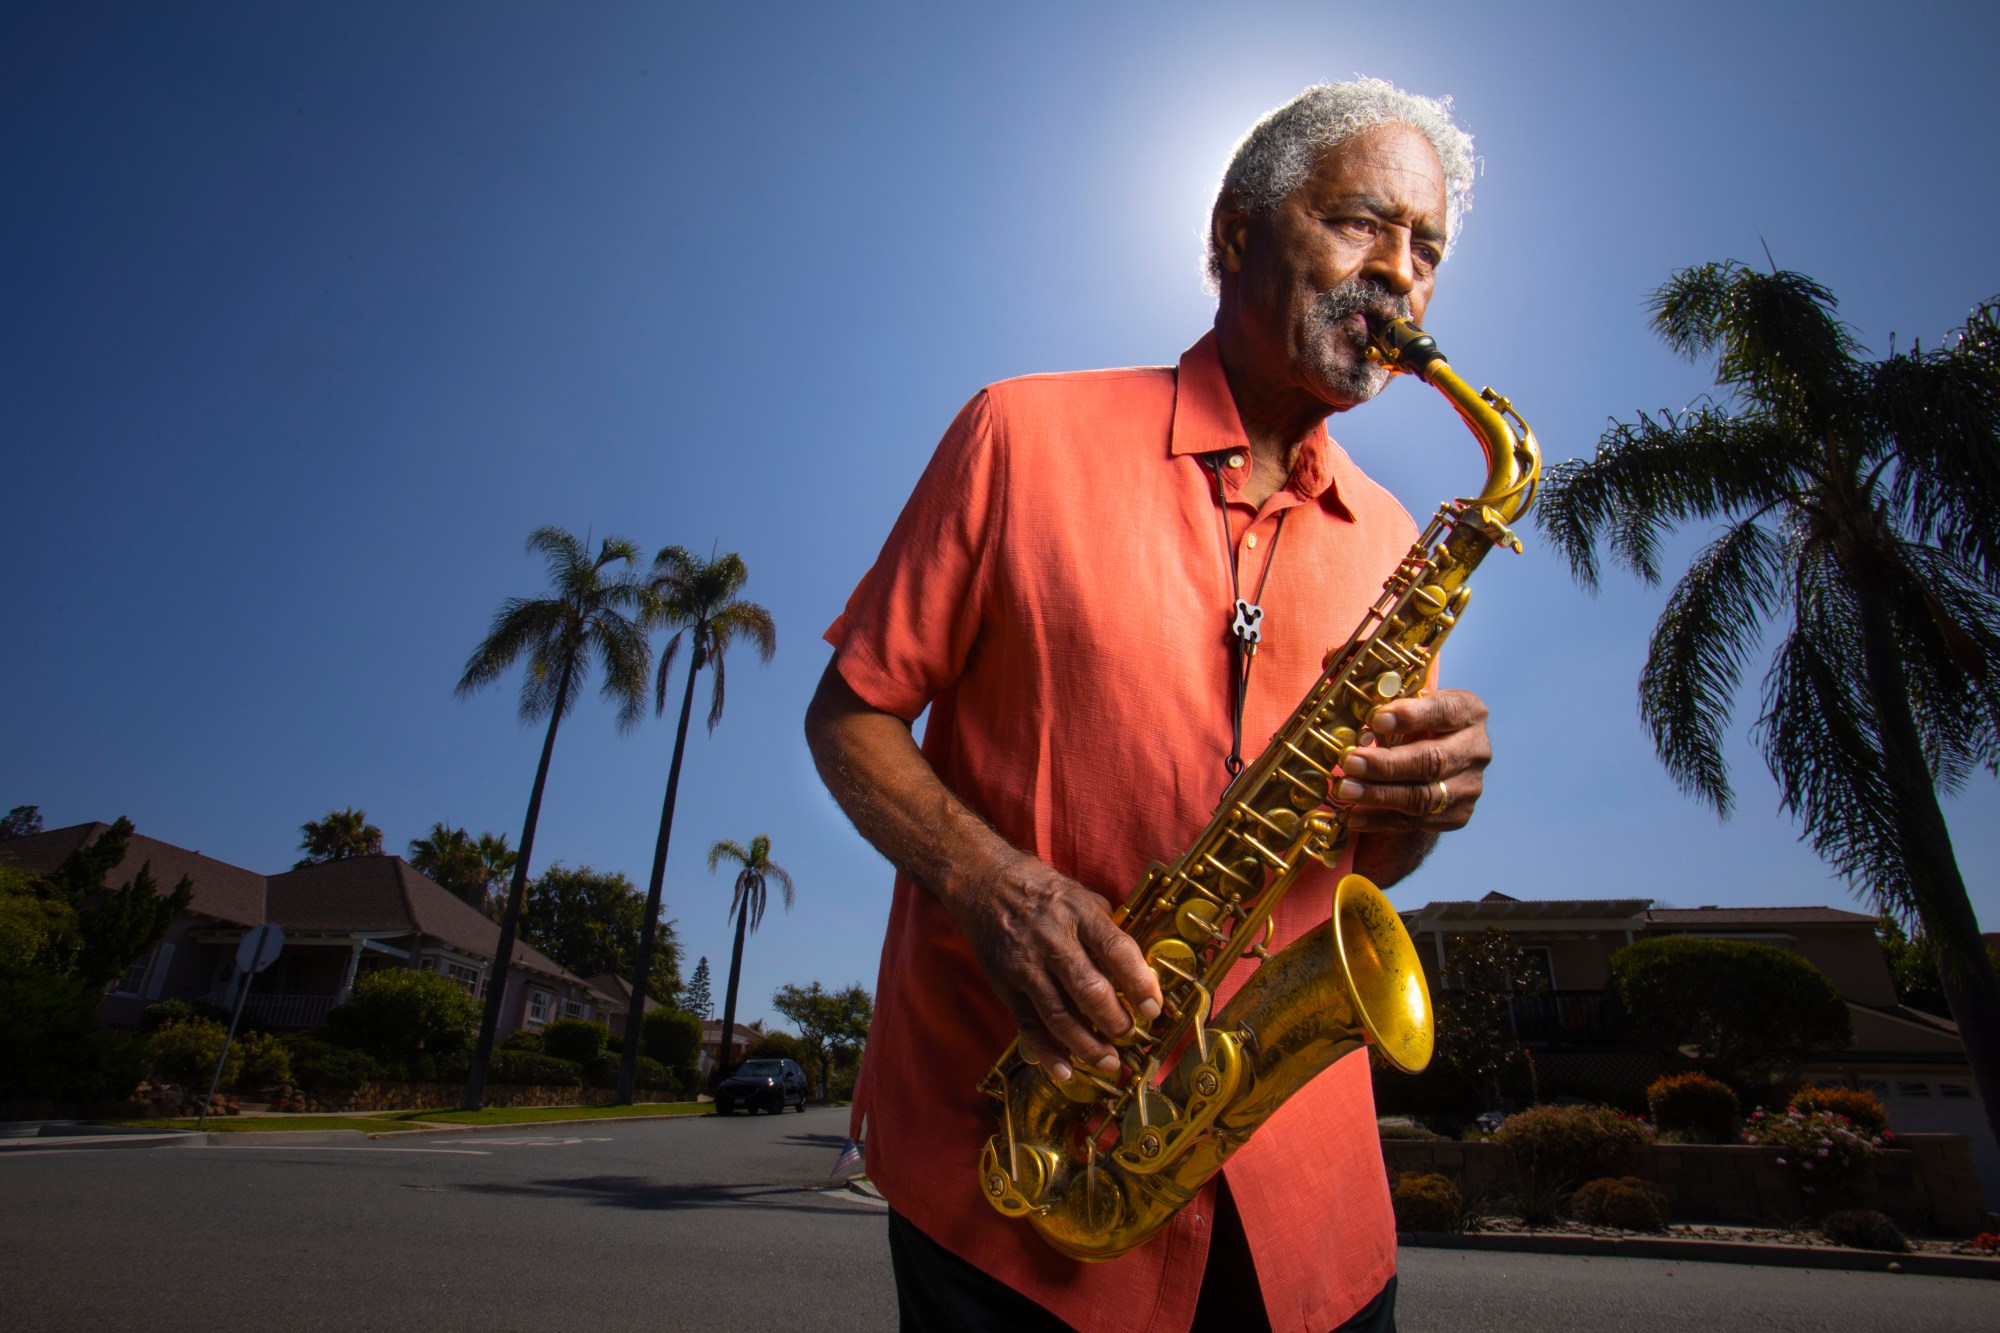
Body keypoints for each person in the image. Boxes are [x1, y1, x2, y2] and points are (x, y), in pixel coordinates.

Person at [806, 79, 1488, 1333]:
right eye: (1361, 224)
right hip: (1016, 1177)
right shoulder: (1018, 431)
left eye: (1427, 249)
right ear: (1234, 233)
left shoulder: (1397, 538)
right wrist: (987, 884)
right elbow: (846, 717)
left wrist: (1422, 804)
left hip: (1307, 1205)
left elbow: (1359, 855)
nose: (1399, 274)